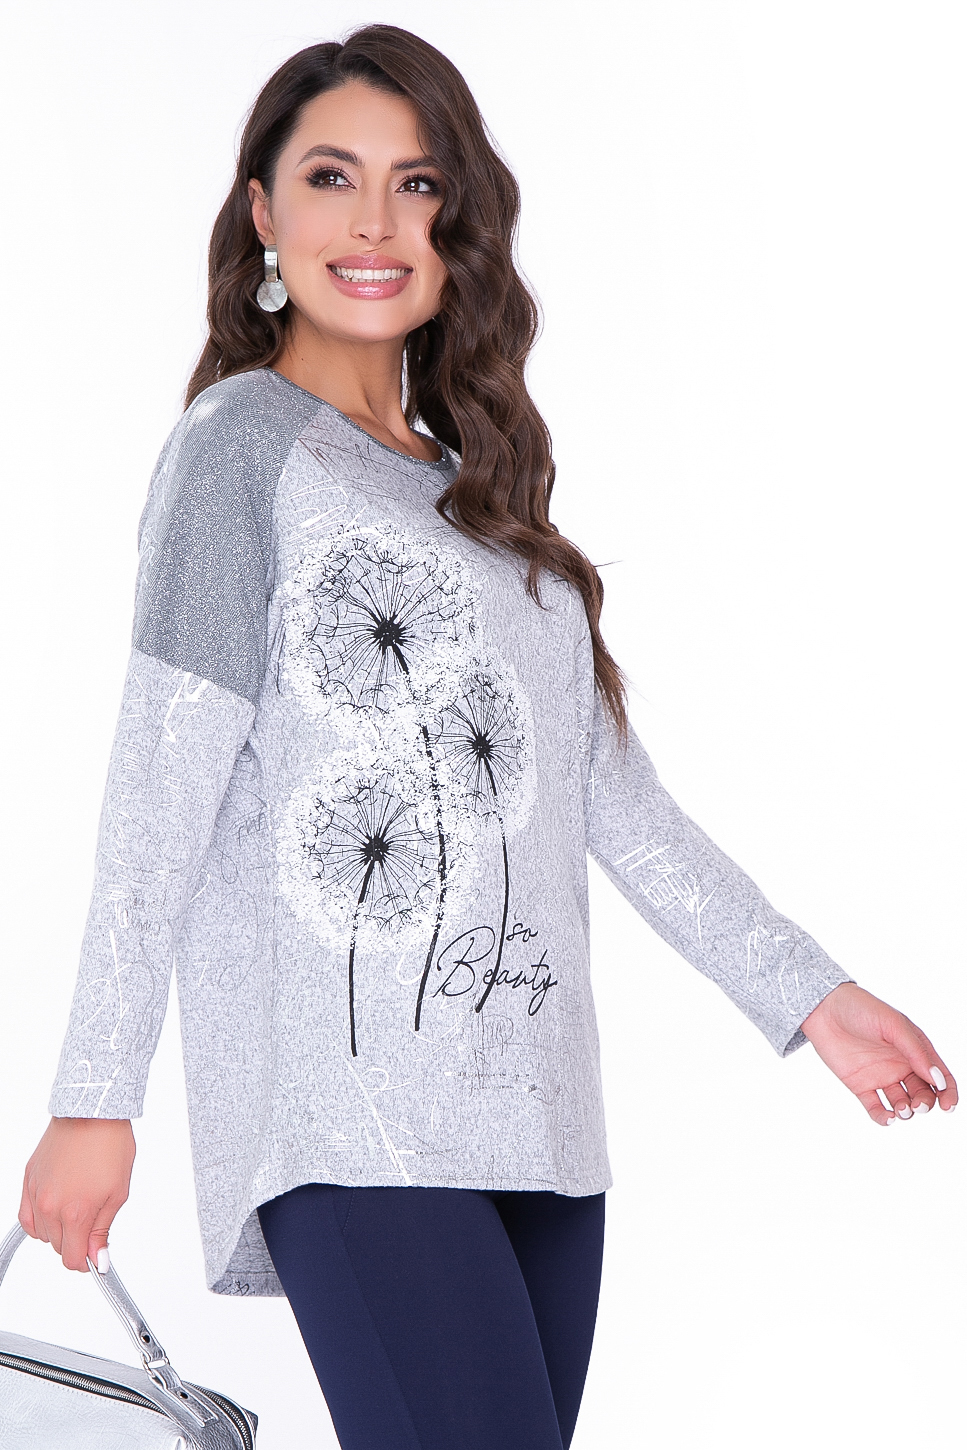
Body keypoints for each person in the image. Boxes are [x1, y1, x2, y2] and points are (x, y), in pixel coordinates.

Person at [19, 24, 957, 1450]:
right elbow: (159, 791)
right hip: (352, 1116)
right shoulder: (237, 451)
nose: (375, 223)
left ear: (459, 227)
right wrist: (97, 1095)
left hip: (542, 1121)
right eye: (331, 178)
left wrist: (811, 996)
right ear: (262, 212)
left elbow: (615, 803)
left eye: (418, 185)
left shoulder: (481, 497)